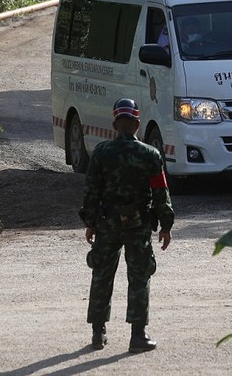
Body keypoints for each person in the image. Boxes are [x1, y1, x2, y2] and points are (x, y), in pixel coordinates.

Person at [79, 98, 175, 353]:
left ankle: (98, 333)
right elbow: (160, 192)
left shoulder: (101, 152)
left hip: (107, 222)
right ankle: (138, 335)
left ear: (114, 123)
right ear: (136, 124)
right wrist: (165, 225)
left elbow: (91, 191)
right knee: (139, 276)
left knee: (101, 275)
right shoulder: (150, 154)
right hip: (138, 223)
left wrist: (90, 222)